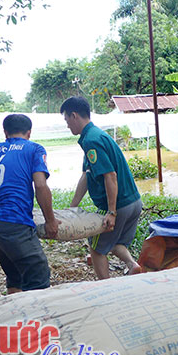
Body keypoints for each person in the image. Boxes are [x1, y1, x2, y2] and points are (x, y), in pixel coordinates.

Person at [0, 114, 60, 294]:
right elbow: (40, 184)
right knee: (38, 272)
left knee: (15, 274)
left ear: (5, 133)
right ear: (29, 133)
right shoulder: (34, 149)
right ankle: (35, 318)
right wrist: (50, 221)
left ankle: (13, 315)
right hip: (13, 222)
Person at [61, 96, 143, 279]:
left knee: (96, 247)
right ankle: (133, 265)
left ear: (74, 116)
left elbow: (110, 176)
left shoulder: (91, 140)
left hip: (119, 206)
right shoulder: (96, 135)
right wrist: (73, 207)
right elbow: (86, 175)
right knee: (114, 242)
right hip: (134, 202)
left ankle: (105, 287)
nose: (67, 126)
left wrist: (112, 212)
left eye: (67, 120)